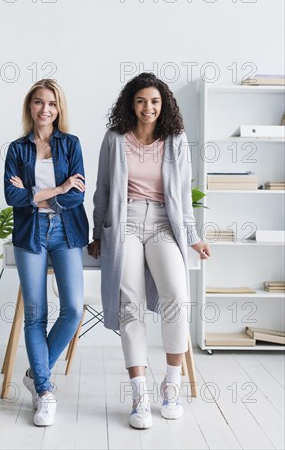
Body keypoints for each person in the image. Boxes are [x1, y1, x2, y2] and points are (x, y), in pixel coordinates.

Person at [88, 72, 210, 429]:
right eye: (141, 101)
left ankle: (171, 385)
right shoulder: (114, 139)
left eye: (154, 101)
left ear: (164, 104)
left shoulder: (175, 140)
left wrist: (192, 235)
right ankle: (139, 394)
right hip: (123, 222)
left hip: (162, 223)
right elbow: (103, 189)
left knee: (176, 295)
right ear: (131, 103)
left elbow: (183, 194)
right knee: (131, 304)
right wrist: (98, 233)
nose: (148, 107)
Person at [4, 79, 89, 427]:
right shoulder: (16, 149)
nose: (45, 109)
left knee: (72, 309)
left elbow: (78, 195)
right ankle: (44, 390)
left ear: (59, 109)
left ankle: (36, 372)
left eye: (51, 104)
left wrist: (39, 195)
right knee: (35, 315)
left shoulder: (71, 144)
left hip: (66, 231)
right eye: (39, 103)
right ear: (30, 107)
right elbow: (12, 198)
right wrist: (58, 187)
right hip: (30, 233)